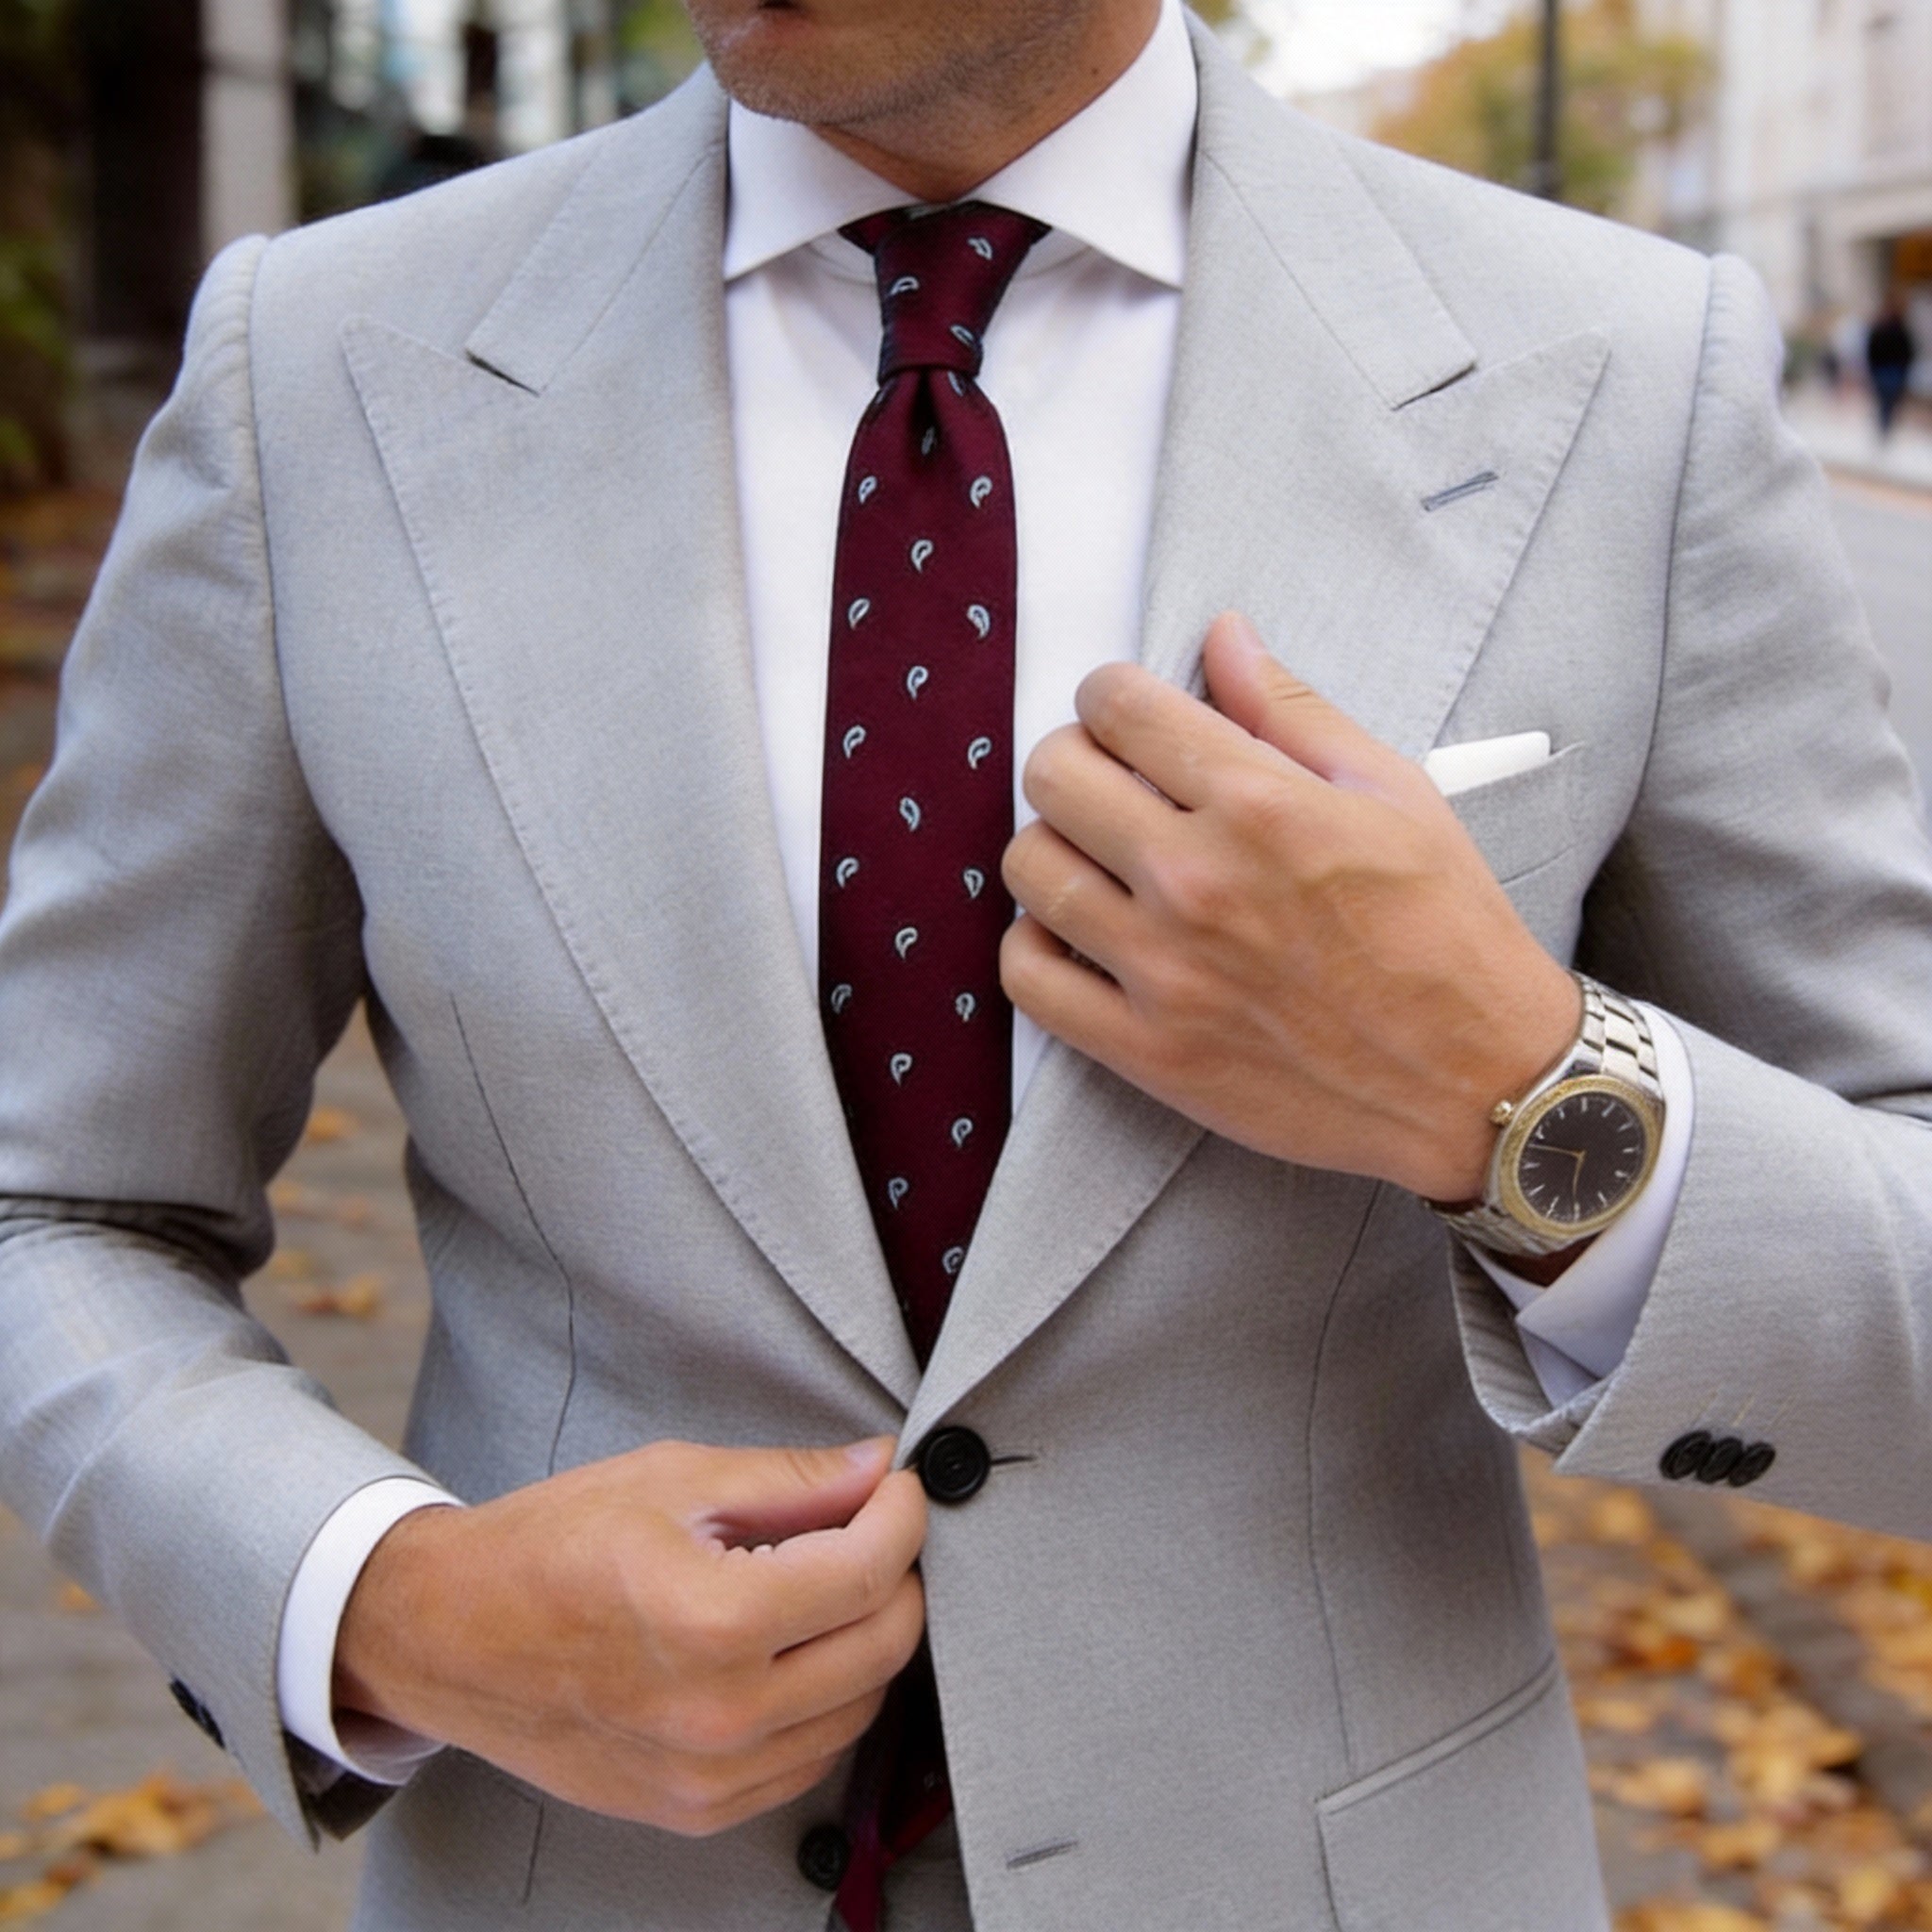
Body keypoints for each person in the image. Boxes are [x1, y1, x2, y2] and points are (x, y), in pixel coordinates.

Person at [1, 1, 1928, 1927]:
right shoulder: (315, 369)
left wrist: (1515, 1092)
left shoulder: (1620, 372)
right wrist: (389, 1603)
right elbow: (55, 1202)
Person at [1868, 291, 1919, 439]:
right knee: (1887, 401)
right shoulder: (1893, 329)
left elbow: (1908, 351)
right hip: (1889, 370)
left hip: (1888, 370)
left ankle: (1884, 427)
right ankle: (1885, 428)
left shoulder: (1893, 329)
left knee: (1886, 402)